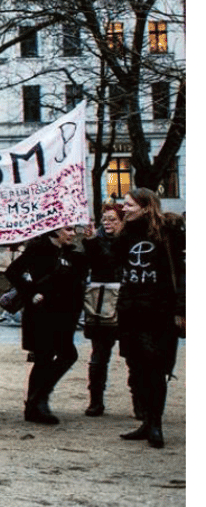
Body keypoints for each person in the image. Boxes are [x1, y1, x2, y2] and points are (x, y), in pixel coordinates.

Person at [114, 188, 183, 448]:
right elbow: (114, 263)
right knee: (136, 368)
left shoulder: (167, 232)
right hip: (131, 310)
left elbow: (180, 271)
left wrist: (181, 309)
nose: (125, 208)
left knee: (156, 369)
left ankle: (155, 424)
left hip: (158, 311)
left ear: (145, 206)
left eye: (129, 204)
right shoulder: (126, 233)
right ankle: (145, 422)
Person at [7, 225, 89, 425]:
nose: (72, 233)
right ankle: (37, 403)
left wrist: (91, 240)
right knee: (45, 357)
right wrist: (31, 293)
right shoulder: (38, 248)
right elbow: (13, 272)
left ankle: (36, 401)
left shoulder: (70, 252)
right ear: (55, 231)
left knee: (64, 355)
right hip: (43, 313)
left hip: (65, 314)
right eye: (68, 230)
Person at [81, 204, 124, 416]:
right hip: (102, 301)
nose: (107, 223)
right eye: (104, 219)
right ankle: (95, 400)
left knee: (135, 356)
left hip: (126, 302)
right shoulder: (94, 242)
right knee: (99, 354)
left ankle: (140, 403)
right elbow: (92, 264)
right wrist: (89, 242)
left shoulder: (131, 241)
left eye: (112, 219)